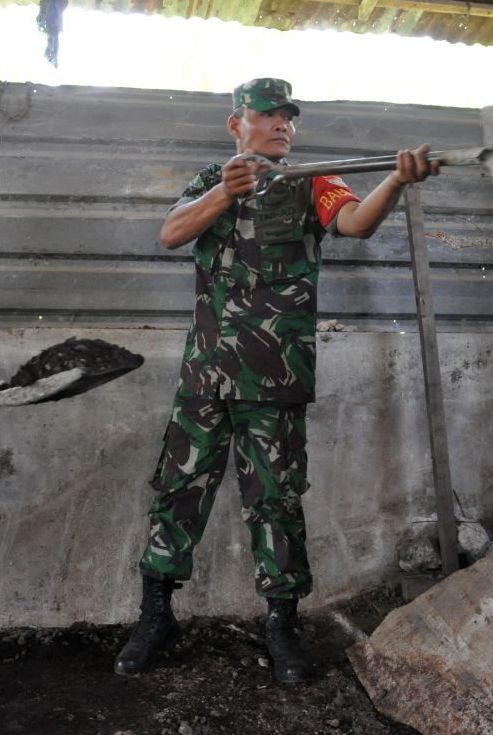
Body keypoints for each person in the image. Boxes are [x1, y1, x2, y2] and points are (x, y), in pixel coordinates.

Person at [115, 78, 438, 684]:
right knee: (178, 494)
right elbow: (170, 233)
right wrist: (223, 192)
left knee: (277, 503)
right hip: (206, 377)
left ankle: (281, 625)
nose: (281, 124)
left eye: (288, 116)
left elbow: (356, 223)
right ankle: (156, 616)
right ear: (236, 123)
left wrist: (395, 180)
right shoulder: (211, 179)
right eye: (266, 115)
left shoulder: (313, 182)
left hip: (276, 379)